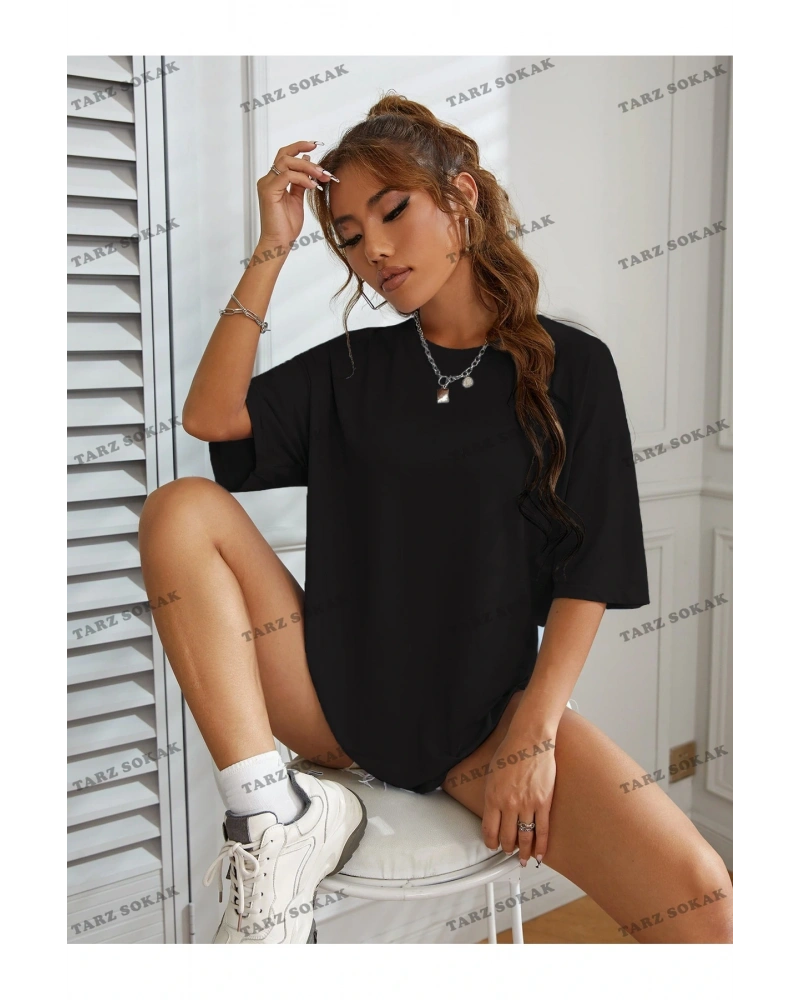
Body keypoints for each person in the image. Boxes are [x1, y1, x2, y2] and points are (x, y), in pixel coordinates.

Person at [139, 94, 734, 945]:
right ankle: (270, 821)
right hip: (329, 702)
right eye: (349, 236)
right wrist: (273, 246)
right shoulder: (350, 369)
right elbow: (211, 418)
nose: (374, 250)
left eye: (393, 211)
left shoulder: (572, 368)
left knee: (705, 906)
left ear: (462, 197)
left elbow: (592, 564)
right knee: (180, 507)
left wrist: (534, 735)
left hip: (480, 726)